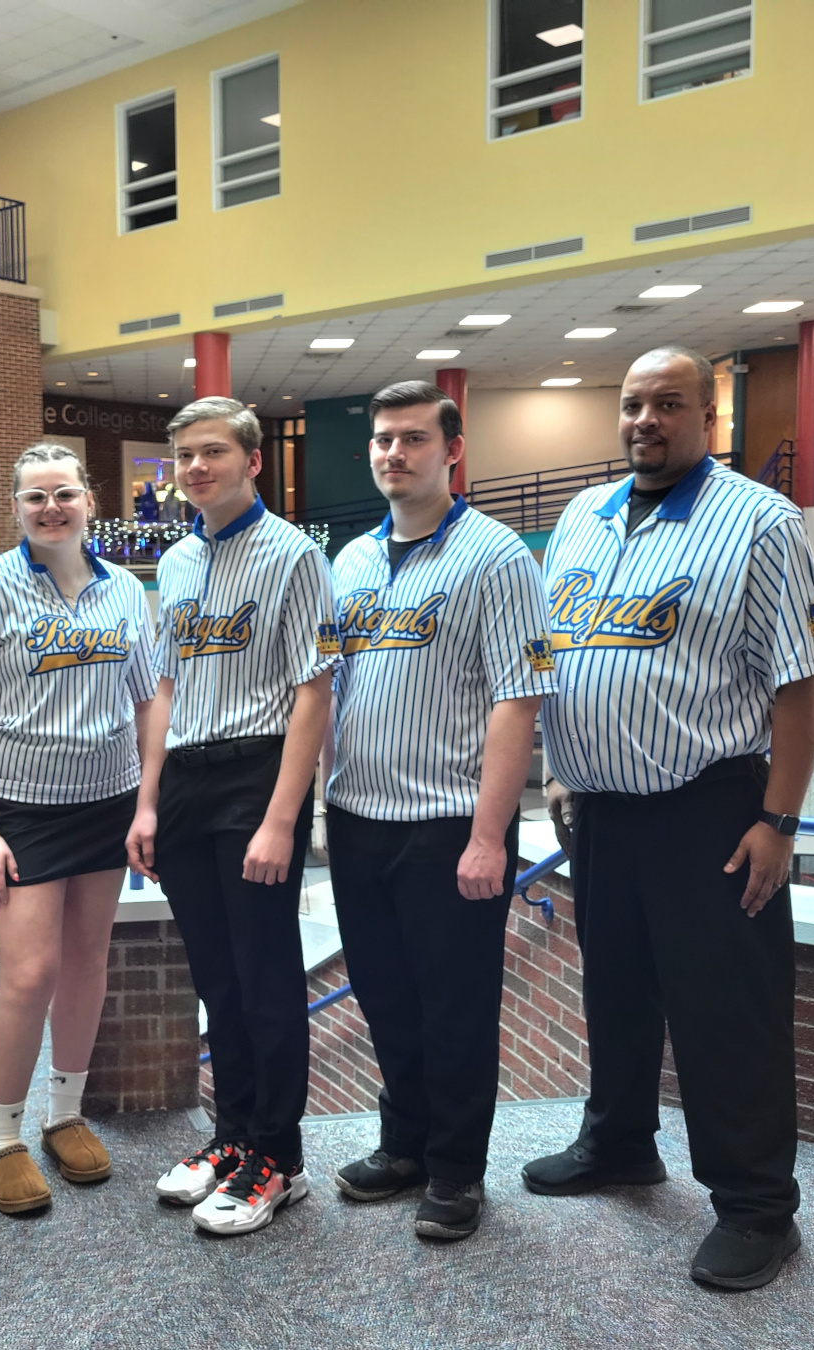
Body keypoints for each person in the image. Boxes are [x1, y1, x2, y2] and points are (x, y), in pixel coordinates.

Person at [524, 345, 814, 1291]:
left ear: (710, 416)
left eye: (668, 403)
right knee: (615, 993)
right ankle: (619, 1141)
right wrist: (559, 772)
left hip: (711, 812)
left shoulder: (762, 524)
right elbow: (557, 651)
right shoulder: (581, 516)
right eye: (631, 404)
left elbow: (800, 680)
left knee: (724, 1015)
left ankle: (756, 1208)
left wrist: (778, 821)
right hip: (601, 812)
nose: (644, 421)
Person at [325, 381, 556, 1242]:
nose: (394, 453)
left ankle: (457, 1170)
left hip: (450, 823)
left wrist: (490, 836)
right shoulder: (349, 562)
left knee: (455, 1007)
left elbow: (518, 701)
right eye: (383, 439)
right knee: (385, 999)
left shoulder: (498, 559)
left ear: (452, 450)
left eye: (414, 439)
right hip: (356, 819)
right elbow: (327, 695)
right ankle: (405, 1146)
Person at [127, 396, 338, 1237]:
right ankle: (232, 1137)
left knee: (265, 977)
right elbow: (166, 688)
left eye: (212, 452)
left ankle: (278, 1161)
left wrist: (284, 818)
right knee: (214, 977)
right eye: (183, 457)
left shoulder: (294, 556)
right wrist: (148, 800)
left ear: (252, 460)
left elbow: (313, 692)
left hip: (258, 774)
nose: (196, 468)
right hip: (185, 776)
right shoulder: (175, 564)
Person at [0, 443, 157, 1215]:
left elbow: (146, 699)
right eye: (35, 498)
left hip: (106, 801)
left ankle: (66, 1114)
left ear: (90, 500)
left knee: (87, 961)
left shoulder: (126, 590)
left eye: (63, 494)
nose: (51, 509)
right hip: (24, 811)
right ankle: (3, 1136)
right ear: (16, 508)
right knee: (28, 974)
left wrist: (147, 802)